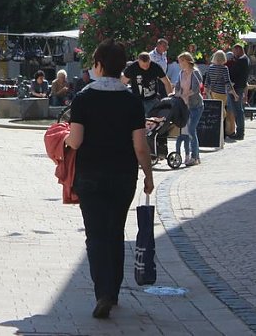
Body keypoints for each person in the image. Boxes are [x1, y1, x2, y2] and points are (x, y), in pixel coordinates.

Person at [64, 39, 154, 320]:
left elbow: (75, 141)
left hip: (90, 174)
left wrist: (63, 139)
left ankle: (102, 291)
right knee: (116, 231)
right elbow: (140, 146)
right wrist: (148, 175)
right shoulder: (131, 101)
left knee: (96, 234)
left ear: (99, 65)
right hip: (123, 175)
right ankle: (113, 292)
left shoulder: (83, 98)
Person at [172, 52, 205, 166]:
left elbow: (196, 89)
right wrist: (175, 93)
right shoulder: (181, 73)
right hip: (185, 106)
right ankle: (196, 156)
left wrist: (185, 94)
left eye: (181, 61)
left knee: (191, 130)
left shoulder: (195, 72)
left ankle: (194, 157)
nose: (179, 64)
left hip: (196, 106)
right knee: (191, 131)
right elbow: (177, 85)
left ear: (187, 61)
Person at [204, 50, 240, 136]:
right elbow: (227, 82)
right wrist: (234, 94)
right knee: (222, 112)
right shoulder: (224, 68)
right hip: (221, 92)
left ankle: (214, 132)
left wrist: (206, 91)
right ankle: (222, 133)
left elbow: (207, 81)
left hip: (212, 92)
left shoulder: (210, 68)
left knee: (214, 111)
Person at [228, 44, 251, 139]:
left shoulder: (242, 61)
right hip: (240, 87)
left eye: (234, 51)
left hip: (236, 88)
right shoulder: (246, 59)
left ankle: (240, 133)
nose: (233, 53)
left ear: (238, 50)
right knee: (237, 110)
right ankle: (240, 132)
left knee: (237, 110)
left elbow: (234, 74)